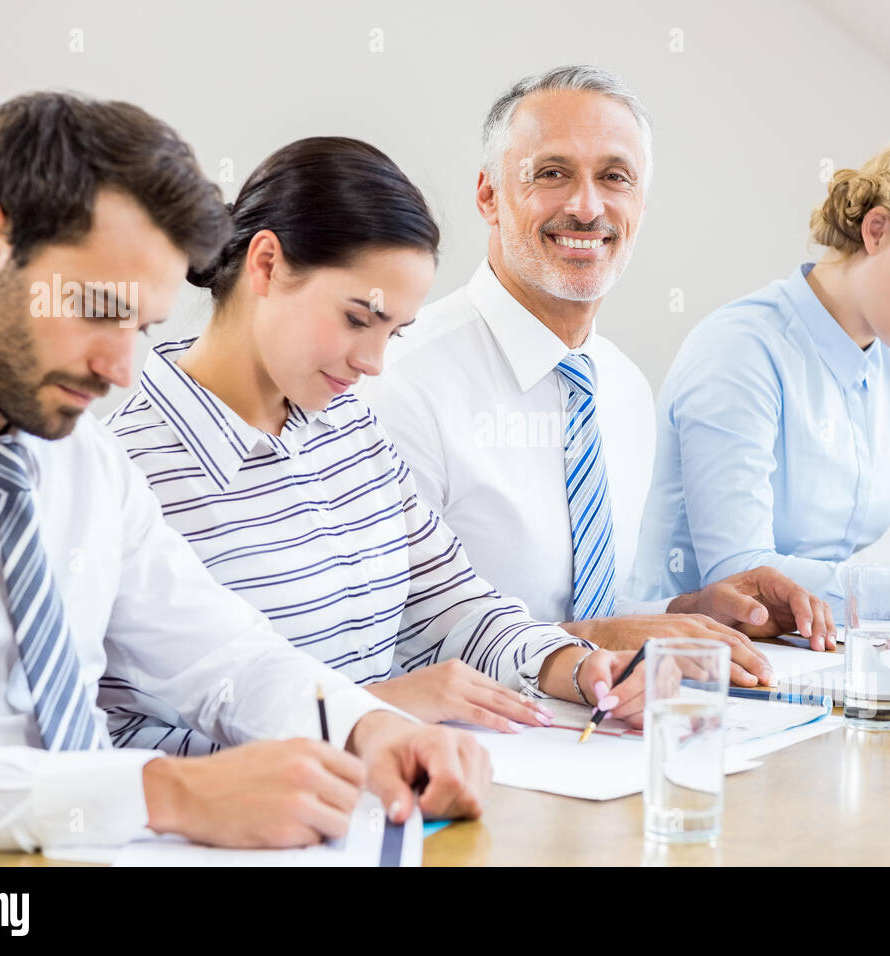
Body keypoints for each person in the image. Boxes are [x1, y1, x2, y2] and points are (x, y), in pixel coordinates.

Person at [0, 92, 489, 852]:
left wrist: (369, 728)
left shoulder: (85, 466)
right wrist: (157, 791)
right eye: (100, 308)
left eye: (140, 326)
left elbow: (221, 653)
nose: (121, 369)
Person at [100, 136, 645, 754]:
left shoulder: (351, 432)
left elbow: (454, 607)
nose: (375, 362)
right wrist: (368, 719)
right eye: (359, 319)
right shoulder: (128, 474)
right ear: (268, 265)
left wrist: (579, 669)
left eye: (394, 331)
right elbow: (117, 744)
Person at [365, 65, 836, 690]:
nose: (587, 208)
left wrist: (685, 615)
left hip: (610, 737)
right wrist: (601, 641)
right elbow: (386, 641)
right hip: (463, 753)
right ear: (488, 197)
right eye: (552, 173)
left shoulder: (622, 387)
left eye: (615, 177)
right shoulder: (399, 378)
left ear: (640, 202)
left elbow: (594, 615)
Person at [633, 137, 890, 628]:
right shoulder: (741, 351)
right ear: (876, 230)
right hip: (691, 663)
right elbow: (741, 577)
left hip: (814, 654)